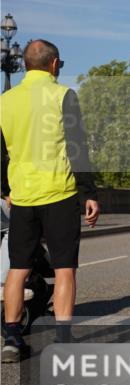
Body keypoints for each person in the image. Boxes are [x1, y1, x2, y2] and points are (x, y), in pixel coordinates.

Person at [1, 39, 100, 362]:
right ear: (54, 64)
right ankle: (62, 339)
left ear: (26, 65)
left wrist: (6, 189)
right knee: (64, 268)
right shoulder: (62, 96)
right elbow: (76, 147)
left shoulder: (7, 100)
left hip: (23, 195)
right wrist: (89, 193)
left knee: (17, 268)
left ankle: (12, 338)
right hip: (59, 193)